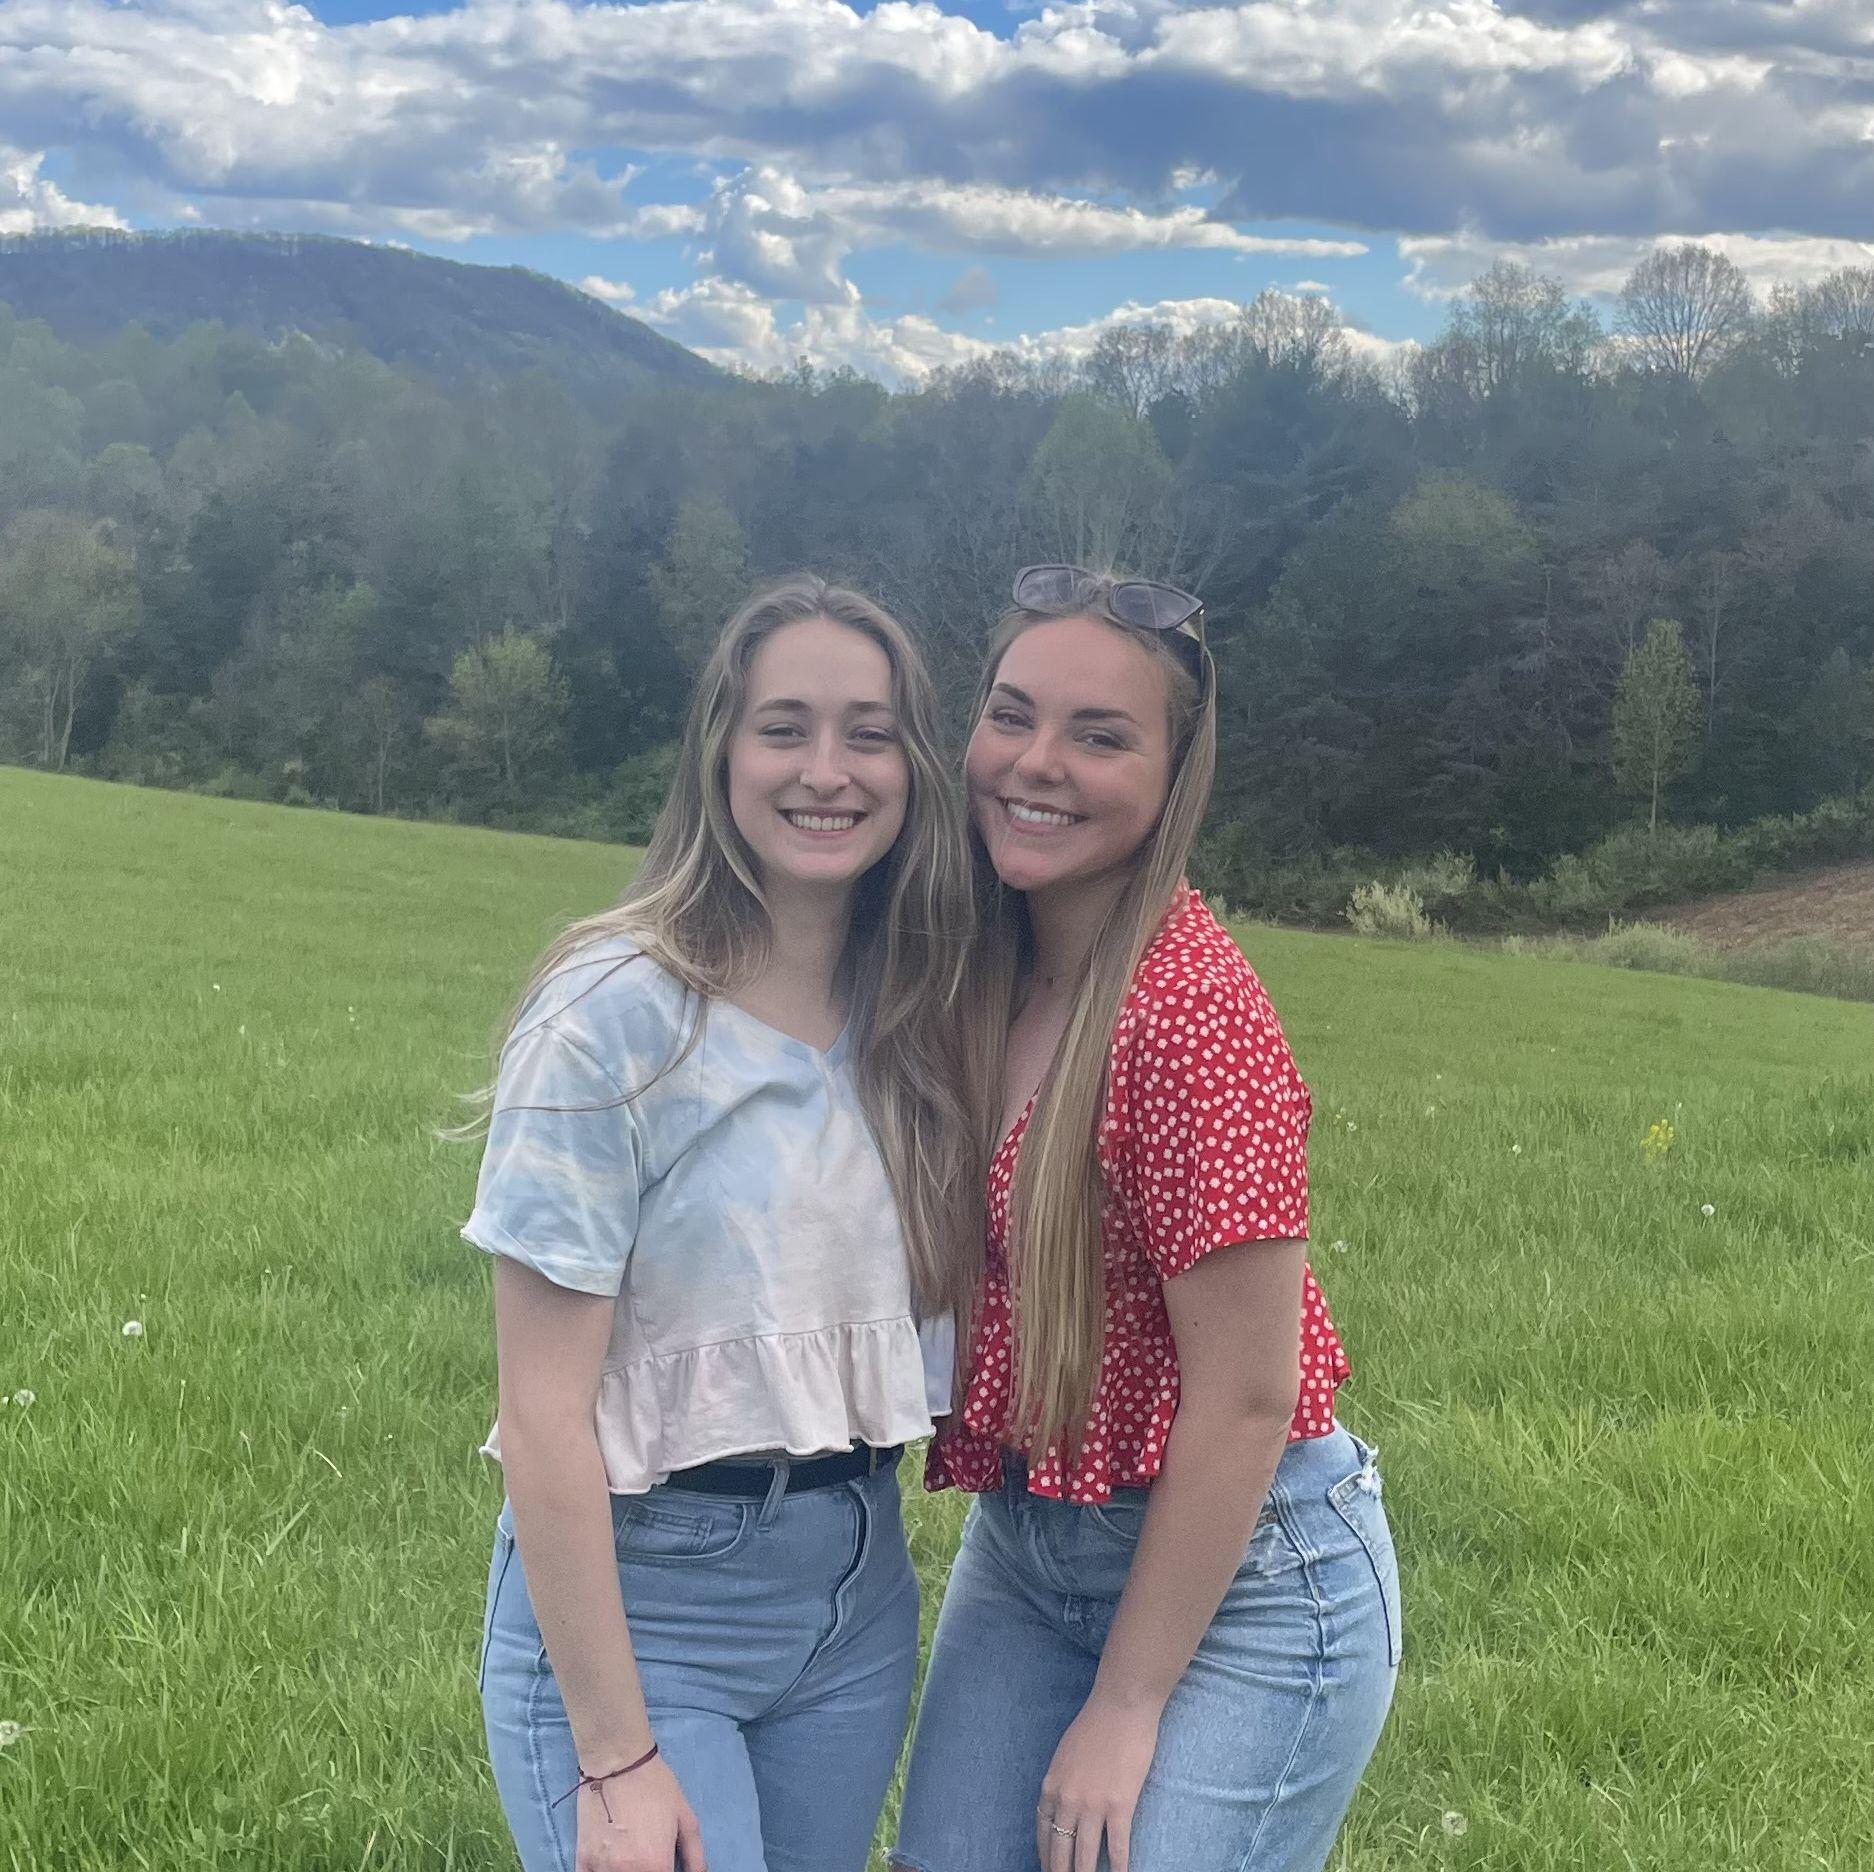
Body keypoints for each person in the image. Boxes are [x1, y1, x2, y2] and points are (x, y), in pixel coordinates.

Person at [463, 577, 977, 1872]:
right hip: (646, 1610)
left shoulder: (920, 1015)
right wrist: (615, 1757)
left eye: (869, 734)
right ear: (720, 752)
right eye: (783, 727)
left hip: (856, 1601)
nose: (827, 771)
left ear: (914, 767)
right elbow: (541, 1413)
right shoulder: (611, 1015)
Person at [891, 565, 1399, 1872]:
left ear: (1174, 779)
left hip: (1247, 1584)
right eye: (1012, 715)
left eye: (1100, 736)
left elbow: (1248, 1397)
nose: (1036, 763)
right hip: (1029, 1550)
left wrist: (1125, 1709)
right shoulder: (987, 963)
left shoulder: (1186, 1018)